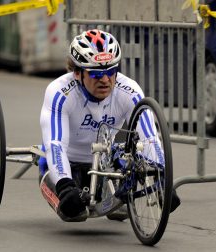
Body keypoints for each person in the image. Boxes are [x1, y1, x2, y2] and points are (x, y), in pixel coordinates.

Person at [39, 29, 180, 220]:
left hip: (105, 163)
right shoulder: (59, 93)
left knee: (121, 210)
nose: (105, 80)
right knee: (74, 212)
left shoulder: (129, 90)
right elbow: (55, 145)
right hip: (67, 163)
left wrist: (162, 178)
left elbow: (149, 137)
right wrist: (64, 185)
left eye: (111, 71)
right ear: (77, 73)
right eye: (96, 74)